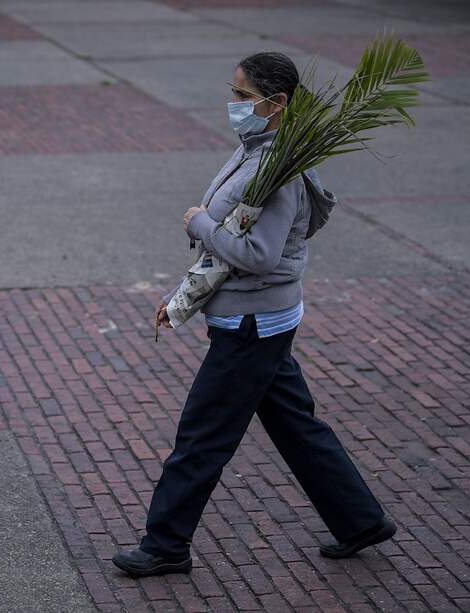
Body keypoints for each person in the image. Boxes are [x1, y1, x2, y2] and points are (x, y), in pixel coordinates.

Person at [112, 51, 396, 578]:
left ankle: (166, 544)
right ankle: (360, 520)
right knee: (295, 425)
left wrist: (198, 223)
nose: (234, 103)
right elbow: (233, 243)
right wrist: (182, 297)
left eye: (243, 96)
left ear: (277, 102)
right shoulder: (258, 149)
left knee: (201, 437)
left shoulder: (278, 169)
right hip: (260, 319)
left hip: (251, 325)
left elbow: (258, 255)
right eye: (235, 92)